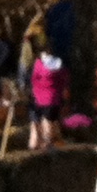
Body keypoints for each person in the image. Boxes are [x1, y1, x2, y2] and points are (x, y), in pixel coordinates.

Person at [26, 22, 66, 150]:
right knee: (51, 121)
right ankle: (50, 142)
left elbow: (33, 79)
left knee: (42, 121)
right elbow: (63, 80)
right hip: (54, 98)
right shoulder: (59, 64)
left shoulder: (38, 64)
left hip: (40, 97)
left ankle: (40, 143)